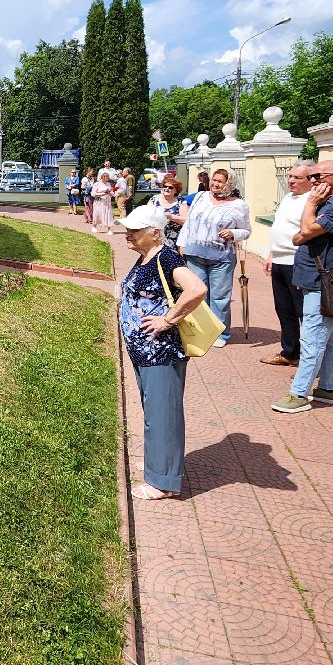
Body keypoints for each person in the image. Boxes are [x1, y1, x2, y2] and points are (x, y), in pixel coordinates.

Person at [118, 202, 209, 501]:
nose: (127, 235)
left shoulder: (167, 258)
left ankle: (164, 482)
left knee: (163, 415)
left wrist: (168, 319)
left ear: (155, 233)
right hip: (144, 351)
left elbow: (196, 289)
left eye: (134, 230)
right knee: (155, 413)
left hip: (161, 352)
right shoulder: (147, 257)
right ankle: (161, 466)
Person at [274, 161, 333, 414]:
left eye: (317, 176)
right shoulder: (327, 203)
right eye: (311, 176)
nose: (312, 181)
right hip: (312, 278)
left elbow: (304, 230)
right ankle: (327, 388)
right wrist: (307, 226)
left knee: (312, 337)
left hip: (324, 281)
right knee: (329, 337)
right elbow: (299, 236)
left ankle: (299, 394)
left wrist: (311, 205)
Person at [175, 168, 251, 347]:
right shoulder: (201, 197)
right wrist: (182, 244)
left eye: (220, 182)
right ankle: (201, 330)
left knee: (219, 297)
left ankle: (220, 333)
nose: (215, 184)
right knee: (197, 295)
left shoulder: (239, 205)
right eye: (214, 180)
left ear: (229, 184)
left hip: (221, 257)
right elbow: (190, 222)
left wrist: (233, 232)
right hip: (195, 254)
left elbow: (246, 231)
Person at [262, 163, 313, 367]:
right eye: (290, 176)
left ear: (310, 180)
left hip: (298, 262)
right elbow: (280, 227)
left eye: (297, 178)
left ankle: (309, 357)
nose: (290, 180)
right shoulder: (287, 197)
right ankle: (290, 352)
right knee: (284, 309)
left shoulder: (312, 201)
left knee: (303, 311)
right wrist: (272, 254)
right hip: (280, 261)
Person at [151, 176, 185, 251]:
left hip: (174, 240)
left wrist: (171, 217)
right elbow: (146, 214)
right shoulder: (154, 199)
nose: (167, 189)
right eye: (165, 186)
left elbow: (186, 221)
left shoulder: (181, 202)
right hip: (155, 239)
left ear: (176, 190)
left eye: (170, 187)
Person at [91, 170, 114, 234]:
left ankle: (109, 229)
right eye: (106, 178)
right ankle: (94, 226)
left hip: (107, 202)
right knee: (97, 214)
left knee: (108, 215)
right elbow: (93, 194)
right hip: (99, 202)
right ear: (103, 178)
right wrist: (102, 194)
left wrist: (110, 193)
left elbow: (111, 192)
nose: (108, 180)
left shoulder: (108, 184)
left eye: (108, 178)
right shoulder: (97, 184)